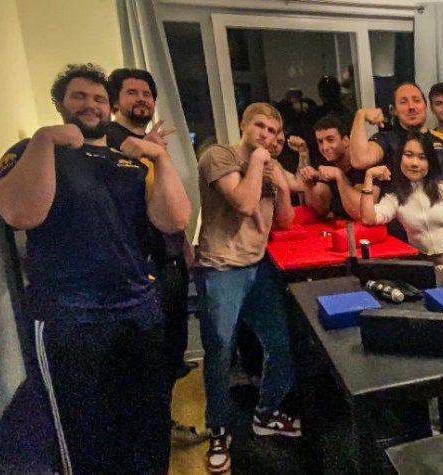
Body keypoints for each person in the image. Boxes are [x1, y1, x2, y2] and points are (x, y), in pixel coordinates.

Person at [0, 63, 191, 474]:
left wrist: (159, 157)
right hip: (71, 318)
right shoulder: (32, 149)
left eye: (99, 98)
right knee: (86, 436)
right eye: (79, 96)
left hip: (138, 311)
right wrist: (45, 139)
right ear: (60, 103)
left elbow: (174, 220)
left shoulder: (129, 161)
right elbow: (19, 213)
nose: (90, 104)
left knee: (149, 424)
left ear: (109, 106)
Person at [194, 102, 300, 473]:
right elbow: (242, 202)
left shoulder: (271, 167)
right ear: (243, 124)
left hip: (258, 266)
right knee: (221, 352)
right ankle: (218, 429)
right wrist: (257, 161)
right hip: (220, 267)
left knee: (281, 343)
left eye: (273, 131)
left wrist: (282, 186)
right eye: (260, 127)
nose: (266, 136)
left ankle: (266, 412)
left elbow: (284, 222)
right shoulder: (219, 156)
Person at [105, 67, 205, 445]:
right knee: (151, 355)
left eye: (147, 94)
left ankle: (164, 416)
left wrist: (184, 246)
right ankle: (156, 431)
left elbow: (164, 203)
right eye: (132, 93)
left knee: (172, 344)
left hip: (168, 260)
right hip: (140, 268)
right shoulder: (110, 142)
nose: (142, 99)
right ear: (115, 101)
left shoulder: (149, 145)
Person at [360, 131, 443, 262]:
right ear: (400, 158)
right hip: (426, 264)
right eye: (408, 155)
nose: (414, 163)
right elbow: (369, 218)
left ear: (430, 162)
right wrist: (369, 176)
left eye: (422, 157)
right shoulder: (395, 198)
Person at [350, 82, 443, 195]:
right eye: (403, 102)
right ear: (393, 110)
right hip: (399, 210)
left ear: (426, 106)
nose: (411, 107)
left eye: (416, 100)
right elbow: (359, 160)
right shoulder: (385, 140)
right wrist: (360, 116)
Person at [296, 114, 368, 220]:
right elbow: (320, 210)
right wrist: (309, 185)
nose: (325, 147)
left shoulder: (361, 163)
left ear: (346, 141)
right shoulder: (327, 161)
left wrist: (339, 176)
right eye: (320, 142)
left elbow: (361, 212)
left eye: (330, 140)